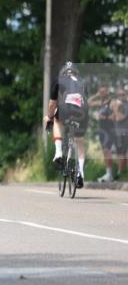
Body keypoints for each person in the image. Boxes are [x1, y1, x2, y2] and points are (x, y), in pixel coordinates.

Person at [46, 61, 88, 189]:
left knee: (57, 121)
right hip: (82, 112)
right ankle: (80, 172)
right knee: (80, 143)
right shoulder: (83, 82)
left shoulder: (59, 79)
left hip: (65, 108)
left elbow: (52, 104)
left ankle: (58, 152)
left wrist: (50, 117)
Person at [89, 86, 116, 182]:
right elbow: (88, 102)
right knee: (105, 152)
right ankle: (109, 174)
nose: (102, 93)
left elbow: (115, 115)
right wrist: (96, 95)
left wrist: (105, 117)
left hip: (110, 130)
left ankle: (109, 175)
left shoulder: (112, 102)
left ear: (108, 92)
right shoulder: (100, 103)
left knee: (107, 150)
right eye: (100, 91)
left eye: (103, 91)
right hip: (102, 131)